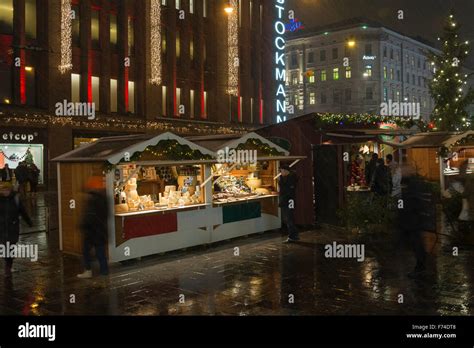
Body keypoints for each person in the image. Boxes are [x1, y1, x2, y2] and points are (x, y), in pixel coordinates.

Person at [397, 165, 428, 277]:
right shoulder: (410, 183)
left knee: (416, 243)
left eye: (403, 171)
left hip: (412, 220)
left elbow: (415, 201)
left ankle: (420, 266)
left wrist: (404, 210)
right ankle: (419, 265)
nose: (401, 172)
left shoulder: (412, 185)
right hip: (410, 220)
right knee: (415, 242)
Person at [77, 176, 109, 278]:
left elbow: (90, 215)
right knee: (100, 252)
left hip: (92, 230)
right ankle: (104, 271)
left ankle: (88, 271)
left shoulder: (93, 199)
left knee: (86, 251)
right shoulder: (104, 198)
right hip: (100, 230)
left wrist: (83, 225)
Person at [0, 181, 33, 277]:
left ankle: (8, 266)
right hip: (2, 228)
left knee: (11, 247)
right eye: (3, 190)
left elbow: (23, 211)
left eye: (6, 190)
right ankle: (7, 266)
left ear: (10, 190)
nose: (5, 192)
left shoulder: (15, 199)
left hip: (13, 228)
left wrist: (29, 222)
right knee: (5, 248)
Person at [279, 164, 299, 242]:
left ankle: (293, 236)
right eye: (280, 171)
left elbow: (289, 191)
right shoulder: (282, 178)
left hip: (289, 200)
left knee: (289, 218)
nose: (281, 172)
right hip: (284, 200)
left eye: (281, 171)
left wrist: (284, 197)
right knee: (288, 218)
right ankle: (293, 235)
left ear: (286, 171)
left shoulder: (291, 178)